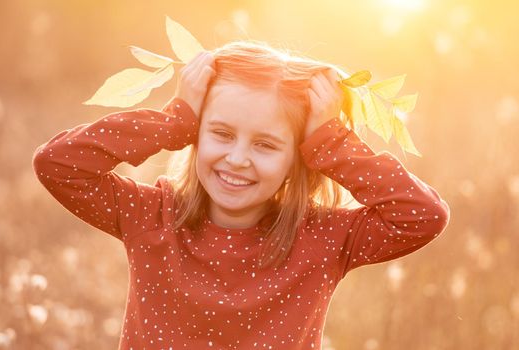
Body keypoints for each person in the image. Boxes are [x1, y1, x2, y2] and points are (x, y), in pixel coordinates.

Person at [32, 40, 450, 349]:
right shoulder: (151, 217)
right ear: (198, 133)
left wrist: (330, 143)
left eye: (266, 145)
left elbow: (423, 215)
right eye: (221, 133)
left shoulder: (322, 239)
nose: (237, 158)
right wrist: (174, 121)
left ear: (297, 157)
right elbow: (58, 164)